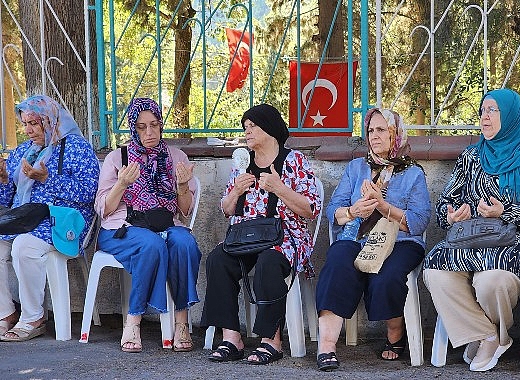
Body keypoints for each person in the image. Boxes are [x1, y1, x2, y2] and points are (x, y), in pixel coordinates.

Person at [423, 88, 520, 372]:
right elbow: (446, 200)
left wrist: (505, 212)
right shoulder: (471, 157)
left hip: (516, 241)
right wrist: (451, 214)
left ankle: (487, 335)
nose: (485, 116)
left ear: (509, 117)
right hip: (472, 240)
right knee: (435, 271)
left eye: (493, 110)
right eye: (483, 110)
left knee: (490, 281)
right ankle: (487, 335)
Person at [202, 104, 321, 365]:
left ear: (270, 128)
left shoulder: (294, 161)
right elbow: (226, 209)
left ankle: (272, 340)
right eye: (245, 127)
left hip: (285, 235)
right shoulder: (243, 163)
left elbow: (311, 209)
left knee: (269, 260)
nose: (247, 132)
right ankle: (232, 338)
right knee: (218, 259)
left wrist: (279, 188)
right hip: (245, 235)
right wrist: (235, 191)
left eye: (253, 126)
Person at [315, 107, 430, 371]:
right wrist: (353, 211)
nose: (374, 136)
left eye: (381, 130)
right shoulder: (357, 168)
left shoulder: (413, 173)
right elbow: (333, 211)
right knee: (336, 264)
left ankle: (395, 331)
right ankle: (327, 345)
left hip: (400, 241)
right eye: (370, 131)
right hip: (355, 237)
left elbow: (419, 221)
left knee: (386, 276)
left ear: (395, 134)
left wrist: (382, 205)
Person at [95, 97, 201, 353]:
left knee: (185, 242)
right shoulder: (117, 157)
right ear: (133, 128)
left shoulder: (175, 156)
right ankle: (133, 321)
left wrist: (183, 186)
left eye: (154, 125)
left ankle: (182, 322)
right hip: (122, 229)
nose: (150, 132)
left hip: (165, 224)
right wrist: (121, 184)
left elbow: (185, 211)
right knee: (151, 244)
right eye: (142, 127)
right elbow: (103, 210)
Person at [0, 95, 100, 341]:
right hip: (24, 219)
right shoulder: (24, 151)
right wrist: (3, 179)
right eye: (25, 124)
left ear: (51, 121)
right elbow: (6, 202)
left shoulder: (77, 147)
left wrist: (47, 179)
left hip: (61, 221)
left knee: (24, 246)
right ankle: (6, 313)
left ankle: (33, 317)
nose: (29, 130)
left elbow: (89, 192)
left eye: (35, 123)